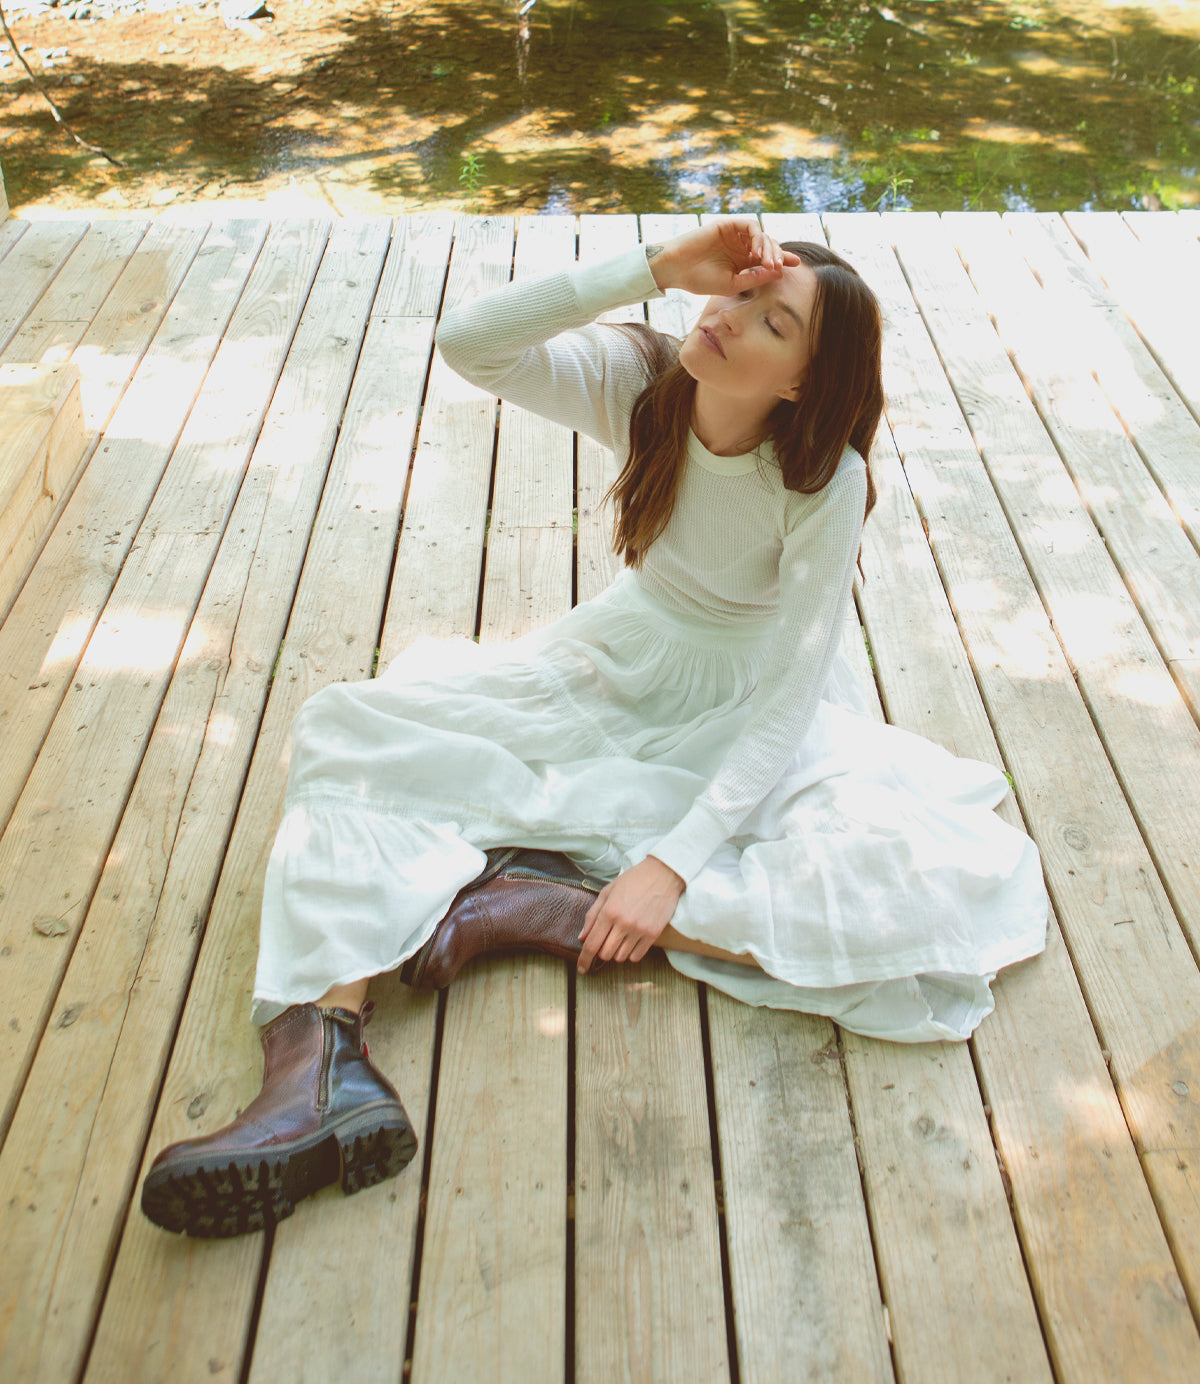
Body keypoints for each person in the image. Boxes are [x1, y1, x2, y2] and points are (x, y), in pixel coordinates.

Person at [140, 219, 1048, 1238]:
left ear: (802, 381)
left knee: (905, 896)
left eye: (771, 320)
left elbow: (790, 695)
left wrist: (669, 862)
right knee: (351, 730)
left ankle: (542, 902)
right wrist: (655, 268)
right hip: (616, 655)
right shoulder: (649, 383)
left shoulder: (819, 478)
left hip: (741, 705)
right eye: (738, 294)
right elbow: (470, 343)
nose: (729, 317)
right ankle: (316, 1070)